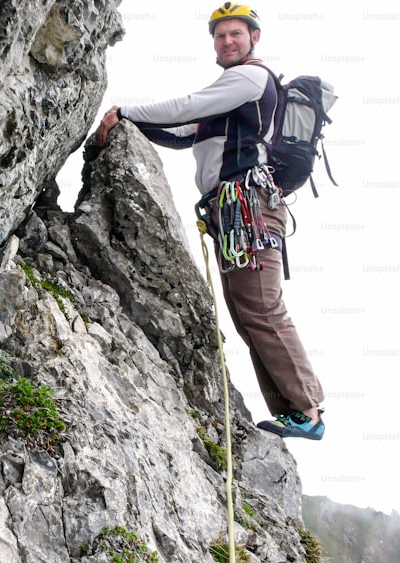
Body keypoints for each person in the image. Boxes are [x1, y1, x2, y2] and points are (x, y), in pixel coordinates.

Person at [94, 2, 326, 440]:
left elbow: (185, 107)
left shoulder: (251, 78)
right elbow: (182, 132)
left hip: (249, 207)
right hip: (234, 211)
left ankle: (308, 408)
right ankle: (292, 411)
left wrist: (123, 111)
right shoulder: (230, 96)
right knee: (246, 310)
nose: (227, 41)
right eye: (220, 36)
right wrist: (130, 126)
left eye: (236, 33)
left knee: (260, 305)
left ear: (253, 38)